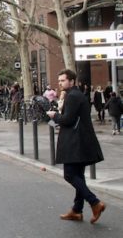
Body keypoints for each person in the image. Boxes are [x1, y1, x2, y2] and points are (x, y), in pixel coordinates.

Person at [47, 69, 105, 224]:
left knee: (70, 175)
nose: (60, 83)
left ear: (72, 81)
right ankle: (77, 210)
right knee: (78, 175)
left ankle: (95, 202)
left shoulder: (72, 96)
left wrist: (54, 116)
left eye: (63, 80)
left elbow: (68, 120)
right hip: (82, 140)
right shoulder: (76, 95)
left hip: (75, 142)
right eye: (59, 81)